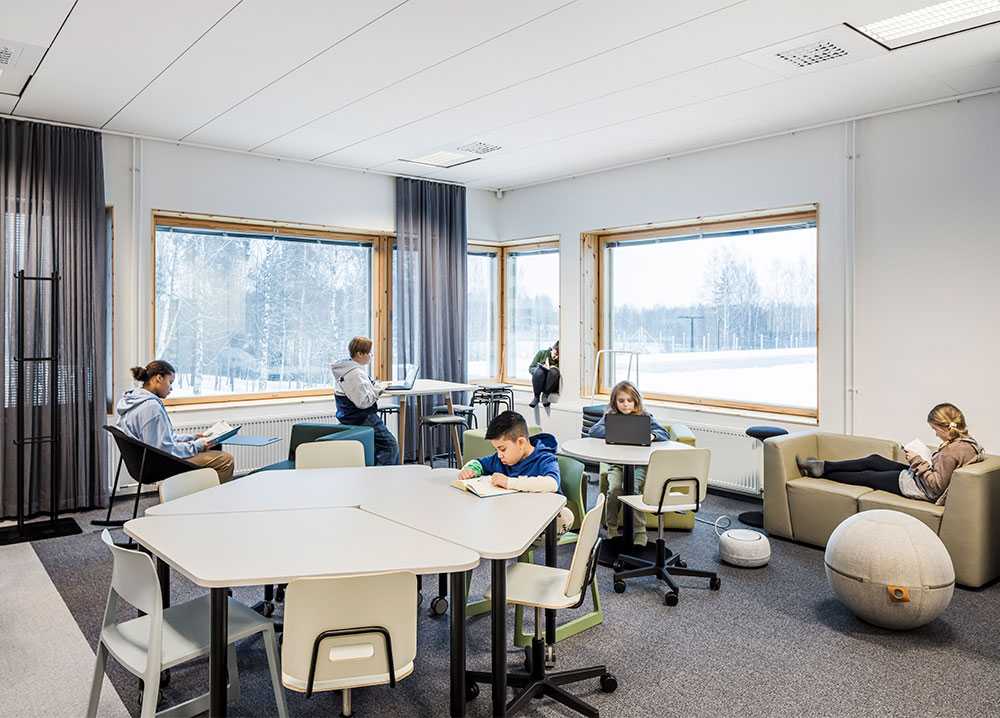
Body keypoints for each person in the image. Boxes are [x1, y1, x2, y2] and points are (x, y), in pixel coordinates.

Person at [796, 403, 984, 504]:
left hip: (920, 488)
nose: (934, 433)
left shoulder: (950, 452)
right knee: (875, 460)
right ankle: (823, 466)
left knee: (868, 476)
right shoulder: (969, 443)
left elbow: (936, 486)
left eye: (935, 429)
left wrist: (918, 461)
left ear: (945, 427)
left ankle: (823, 472)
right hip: (921, 479)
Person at [116, 360, 235, 483]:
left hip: (143, 462)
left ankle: (196, 492)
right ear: (159, 378)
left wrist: (191, 437)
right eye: (170, 382)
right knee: (225, 460)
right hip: (160, 464)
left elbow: (161, 440)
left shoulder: (133, 400)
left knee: (211, 447)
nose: (171, 388)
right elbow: (165, 449)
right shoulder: (151, 407)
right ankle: (210, 499)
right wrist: (196, 446)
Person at [457, 410, 574, 532]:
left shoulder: (545, 459)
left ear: (521, 442)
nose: (499, 455)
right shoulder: (501, 460)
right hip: (510, 517)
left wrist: (509, 482)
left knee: (564, 516)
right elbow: (479, 463)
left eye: (502, 449)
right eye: (496, 450)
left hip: (538, 517)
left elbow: (552, 483)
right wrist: (469, 469)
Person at [588, 380, 670, 547]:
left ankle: (640, 531)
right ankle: (611, 527)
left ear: (636, 401)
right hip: (617, 464)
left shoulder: (644, 416)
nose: (626, 405)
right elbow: (593, 430)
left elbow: (664, 433)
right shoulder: (610, 417)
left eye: (629, 400)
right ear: (615, 402)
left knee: (633, 491)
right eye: (621, 401)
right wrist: (617, 431)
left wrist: (652, 435)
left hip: (638, 465)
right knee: (614, 489)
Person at [331, 336, 399, 466]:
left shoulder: (348, 369)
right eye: (369, 353)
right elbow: (363, 403)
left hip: (350, 416)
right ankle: (386, 478)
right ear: (359, 354)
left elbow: (361, 391)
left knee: (378, 446)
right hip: (361, 417)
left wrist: (375, 386)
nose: (370, 356)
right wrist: (378, 390)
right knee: (390, 445)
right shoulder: (354, 373)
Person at [528, 340, 560, 408]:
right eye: (555, 353)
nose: (556, 356)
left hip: (551, 383)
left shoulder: (560, 360)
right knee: (539, 371)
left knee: (554, 371)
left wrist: (554, 366)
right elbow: (531, 368)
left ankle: (545, 395)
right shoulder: (542, 353)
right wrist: (540, 368)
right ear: (552, 348)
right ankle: (536, 397)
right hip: (539, 380)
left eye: (558, 355)